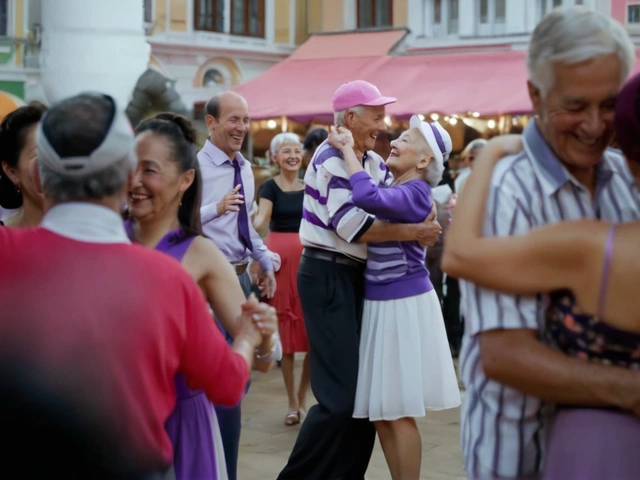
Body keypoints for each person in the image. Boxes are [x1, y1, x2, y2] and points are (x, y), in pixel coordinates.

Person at [0, 92, 275, 476]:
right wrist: (246, 337)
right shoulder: (166, 278)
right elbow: (227, 385)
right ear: (127, 176)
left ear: (38, 175)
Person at [442, 7, 640, 479]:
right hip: (517, 456)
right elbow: (505, 355)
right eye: (575, 106)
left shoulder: (625, 179)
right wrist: (628, 388)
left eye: (609, 104)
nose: (595, 126)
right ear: (535, 93)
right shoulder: (503, 191)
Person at [277, 80, 443, 480]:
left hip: (354, 278)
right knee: (339, 398)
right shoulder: (333, 158)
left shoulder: (368, 160)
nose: (382, 125)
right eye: (375, 116)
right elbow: (354, 226)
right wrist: (414, 233)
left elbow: (389, 202)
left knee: (362, 396)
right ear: (350, 118)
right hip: (328, 272)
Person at [127, 112, 281, 479]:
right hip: (113, 418)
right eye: (129, 168)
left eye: (149, 171)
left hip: (180, 426)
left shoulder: (201, 253)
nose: (134, 182)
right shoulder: (107, 238)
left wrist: (261, 338)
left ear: (185, 180)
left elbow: (262, 359)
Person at [329, 117, 461, 480]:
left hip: (402, 304)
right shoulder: (400, 185)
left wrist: (344, 149)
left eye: (405, 138)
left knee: (397, 412)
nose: (395, 141)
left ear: (423, 161)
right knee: (383, 414)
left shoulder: (416, 192)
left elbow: (365, 196)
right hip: (385, 303)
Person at [198, 90, 279, 480]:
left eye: (246, 120)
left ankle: (220, 461)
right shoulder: (194, 167)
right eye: (234, 120)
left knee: (242, 379)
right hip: (207, 285)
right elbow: (173, 224)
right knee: (222, 384)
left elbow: (245, 225)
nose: (242, 128)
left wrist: (265, 259)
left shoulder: (244, 167)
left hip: (242, 277)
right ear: (211, 123)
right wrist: (213, 208)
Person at [254, 132, 310, 426]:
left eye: (296, 150)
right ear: (275, 156)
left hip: (309, 262)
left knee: (313, 336)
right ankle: (291, 402)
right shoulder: (269, 187)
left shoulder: (311, 186)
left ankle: (303, 398)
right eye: (285, 150)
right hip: (279, 264)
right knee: (285, 337)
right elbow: (260, 221)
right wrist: (241, 226)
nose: (292, 155)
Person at [0, 102, 47, 227]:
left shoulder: (95, 237)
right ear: (12, 172)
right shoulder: (4, 241)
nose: (54, 166)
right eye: (41, 156)